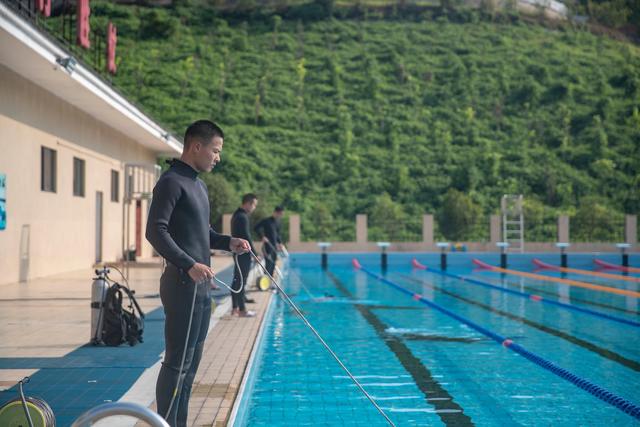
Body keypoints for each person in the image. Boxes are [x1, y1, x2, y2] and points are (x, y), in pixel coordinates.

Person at [146, 120, 250, 427]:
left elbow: (203, 233)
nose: (218, 157)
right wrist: (188, 264)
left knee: (191, 366)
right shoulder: (171, 182)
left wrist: (228, 242)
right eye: (215, 150)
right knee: (177, 364)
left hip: (201, 288)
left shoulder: (198, 185)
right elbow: (155, 231)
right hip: (181, 284)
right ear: (196, 146)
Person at [230, 193, 259, 317]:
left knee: (237, 279)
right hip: (243, 253)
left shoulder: (237, 214)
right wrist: (255, 254)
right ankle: (242, 310)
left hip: (238, 251)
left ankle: (235, 307)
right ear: (248, 203)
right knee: (241, 281)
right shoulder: (242, 217)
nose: (254, 208)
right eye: (254, 205)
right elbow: (247, 236)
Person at [254, 206, 285, 277]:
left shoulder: (278, 222)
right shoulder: (266, 221)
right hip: (267, 246)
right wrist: (262, 236)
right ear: (275, 212)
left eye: (282, 214)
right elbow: (256, 228)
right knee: (268, 264)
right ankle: (266, 279)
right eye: (280, 214)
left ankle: (270, 280)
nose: (280, 216)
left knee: (273, 264)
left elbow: (278, 235)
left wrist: (280, 243)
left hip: (274, 247)